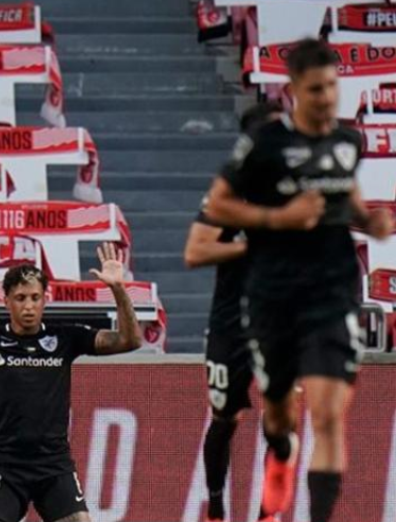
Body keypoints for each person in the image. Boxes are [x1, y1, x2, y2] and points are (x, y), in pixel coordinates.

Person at [207, 39, 393, 522]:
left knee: (328, 415)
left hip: (328, 294)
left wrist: (369, 221)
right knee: (274, 418)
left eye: (332, 87)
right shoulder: (257, 162)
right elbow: (213, 221)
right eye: (316, 89)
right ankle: (265, 469)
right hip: (263, 304)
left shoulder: (343, 144)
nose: (327, 98)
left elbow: (345, 200)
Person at [0, 242, 141, 522]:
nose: (29, 306)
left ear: (44, 300)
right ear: (6, 301)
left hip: (53, 464)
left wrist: (119, 289)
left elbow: (130, 341)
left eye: (35, 297)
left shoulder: (66, 338)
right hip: (5, 465)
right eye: (21, 298)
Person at [184, 101, 282, 522]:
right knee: (226, 418)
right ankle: (217, 506)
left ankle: (267, 514)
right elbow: (197, 249)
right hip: (230, 325)